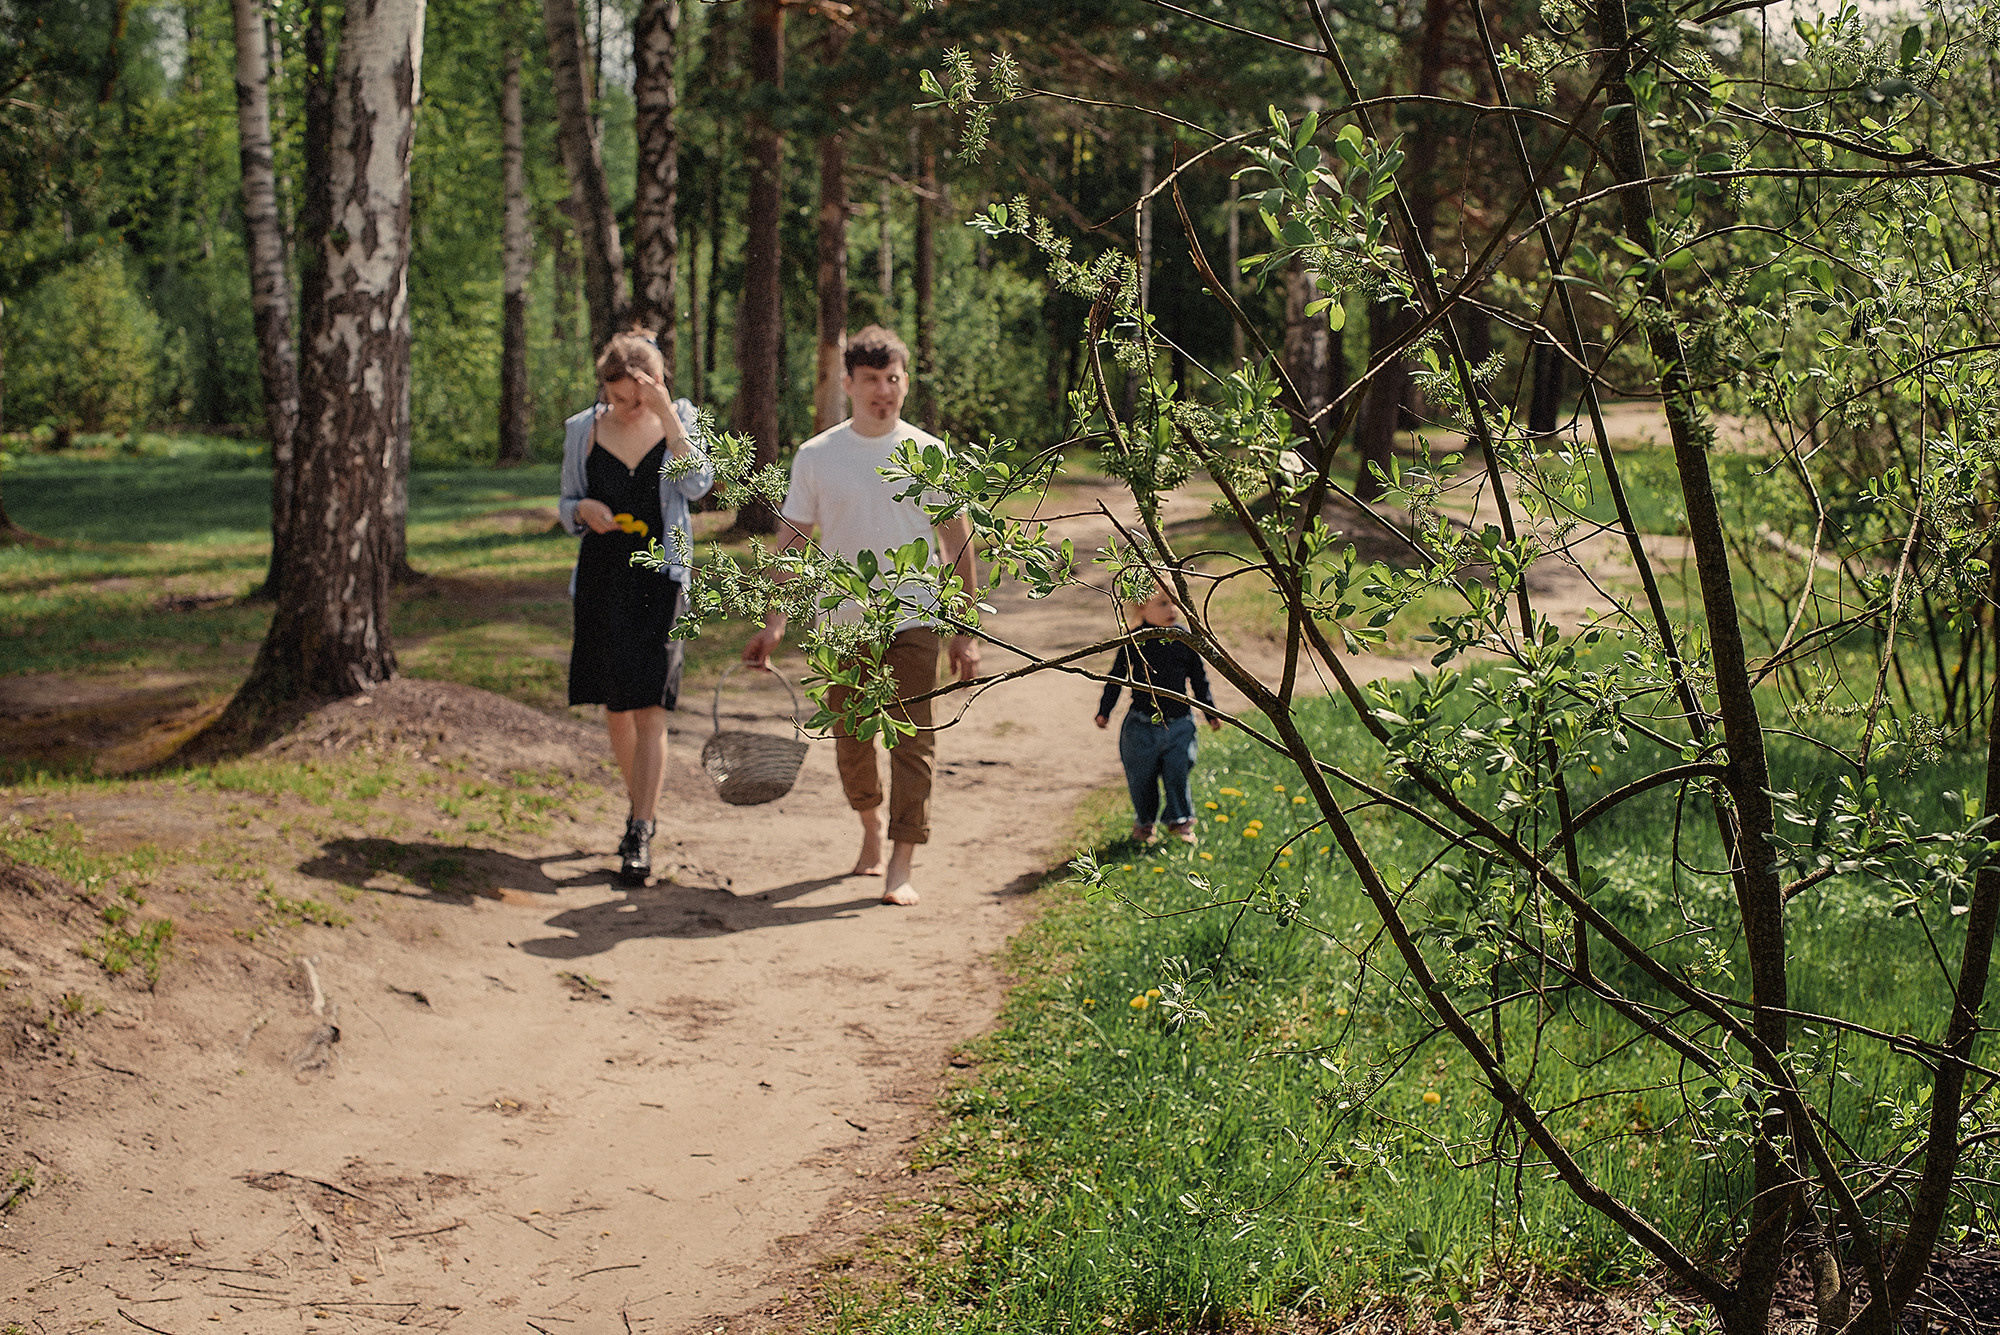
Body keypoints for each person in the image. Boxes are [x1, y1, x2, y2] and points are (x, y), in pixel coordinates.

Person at [741, 325, 978, 906]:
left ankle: (902, 859)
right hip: (840, 623)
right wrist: (773, 620)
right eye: (871, 379)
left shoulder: (928, 453)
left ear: (905, 382)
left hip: (914, 618)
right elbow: (792, 542)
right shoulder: (818, 456)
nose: (883, 390)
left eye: (892, 378)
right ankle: (871, 828)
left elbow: (959, 542)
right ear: (847, 384)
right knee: (850, 739)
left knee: (913, 739)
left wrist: (965, 632)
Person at [559, 327, 714, 886]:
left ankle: (640, 827)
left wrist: (667, 416)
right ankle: (637, 811)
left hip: (660, 579)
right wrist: (583, 512)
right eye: (613, 398)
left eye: (633, 398)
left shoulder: (685, 422)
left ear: (656, 385)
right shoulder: (583, 430)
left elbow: (699, 485)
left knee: (650, 705)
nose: (623, 409)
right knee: (615, 706)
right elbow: (566, 500)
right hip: (601, 578)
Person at [1094, 582, 1223, 844]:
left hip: (1179, 724)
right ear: (1142, 607)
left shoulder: (1184, 639)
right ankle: (1145, 822)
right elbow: (1116, 677)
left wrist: (1210, 712)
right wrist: (1104, 710)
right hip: (1140, 726)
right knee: (1141, 778)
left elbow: (1199, 679)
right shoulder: (1133, 641)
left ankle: (1180, 822)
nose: (1172, 608)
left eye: (1175, 601)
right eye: (1163, 603)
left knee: (1177, 771)